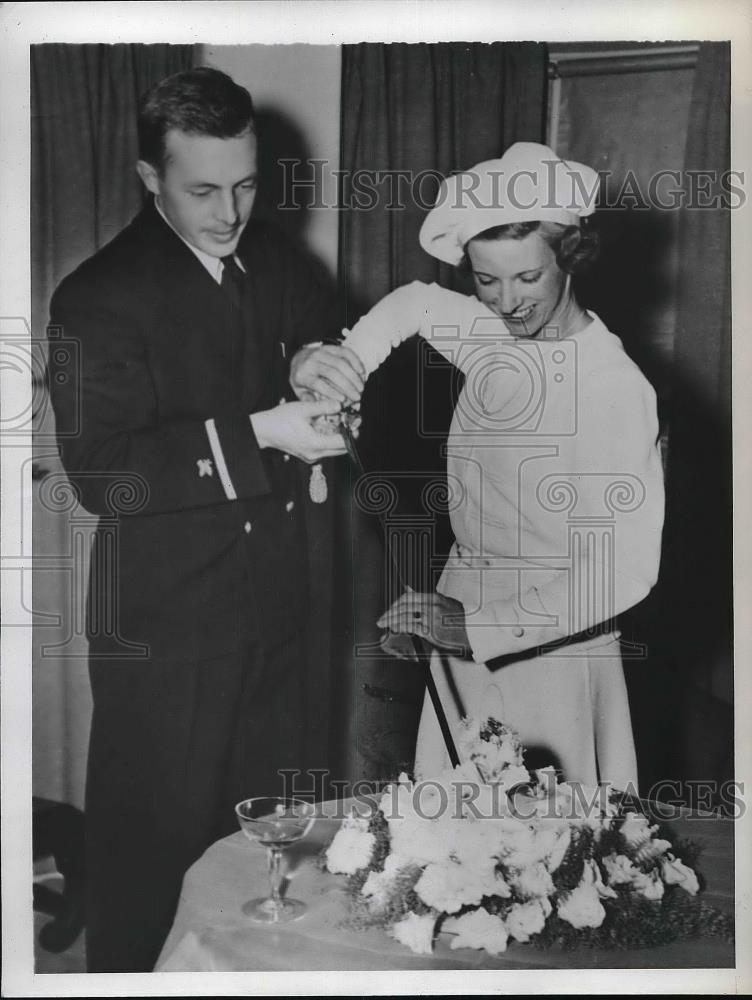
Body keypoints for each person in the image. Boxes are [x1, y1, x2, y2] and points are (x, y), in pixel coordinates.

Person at [47, 66, 364, 972]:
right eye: (203, 190)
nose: (232, 211)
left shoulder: (278, 260)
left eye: (248, 184)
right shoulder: (97, 296)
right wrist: (263, 428)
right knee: (152, 862)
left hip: (277, 609)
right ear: (150, 179)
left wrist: (314, 360)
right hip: (166, 632)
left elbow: (319, 333)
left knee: (273, 853)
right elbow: (104, 476)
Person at [339, 143, 665, 790]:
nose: (507, 302)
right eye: (486, 280)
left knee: (544, 863)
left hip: (555, 650)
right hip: (462, 617)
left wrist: (476, 627)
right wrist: (342, 371)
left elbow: (623, 571)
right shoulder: (493, 332)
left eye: (528, 278)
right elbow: (411, 304)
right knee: (449, 857)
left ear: (569, 259)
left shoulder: (613, 385)